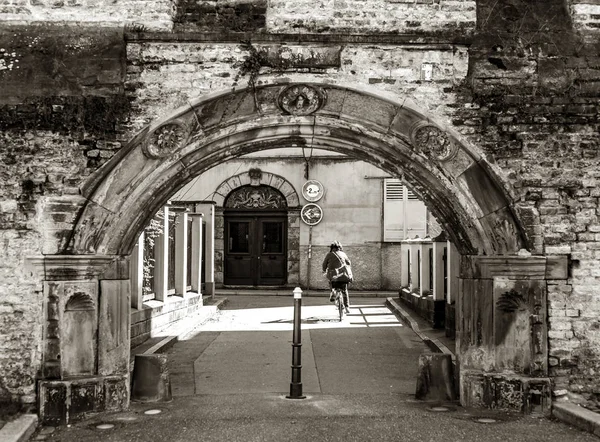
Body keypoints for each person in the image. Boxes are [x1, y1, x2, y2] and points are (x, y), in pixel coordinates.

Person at [322, 240, 352, 314]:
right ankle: (347, 307)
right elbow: (349, 263)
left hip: (333, 277)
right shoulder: (343, 254)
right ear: (340, 247)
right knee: (344, 291)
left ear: (331, 248)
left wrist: (324, 271)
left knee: (331, 282)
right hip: (343, 276)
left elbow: (324, 265)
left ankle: (333, 291)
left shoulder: (329, 254)